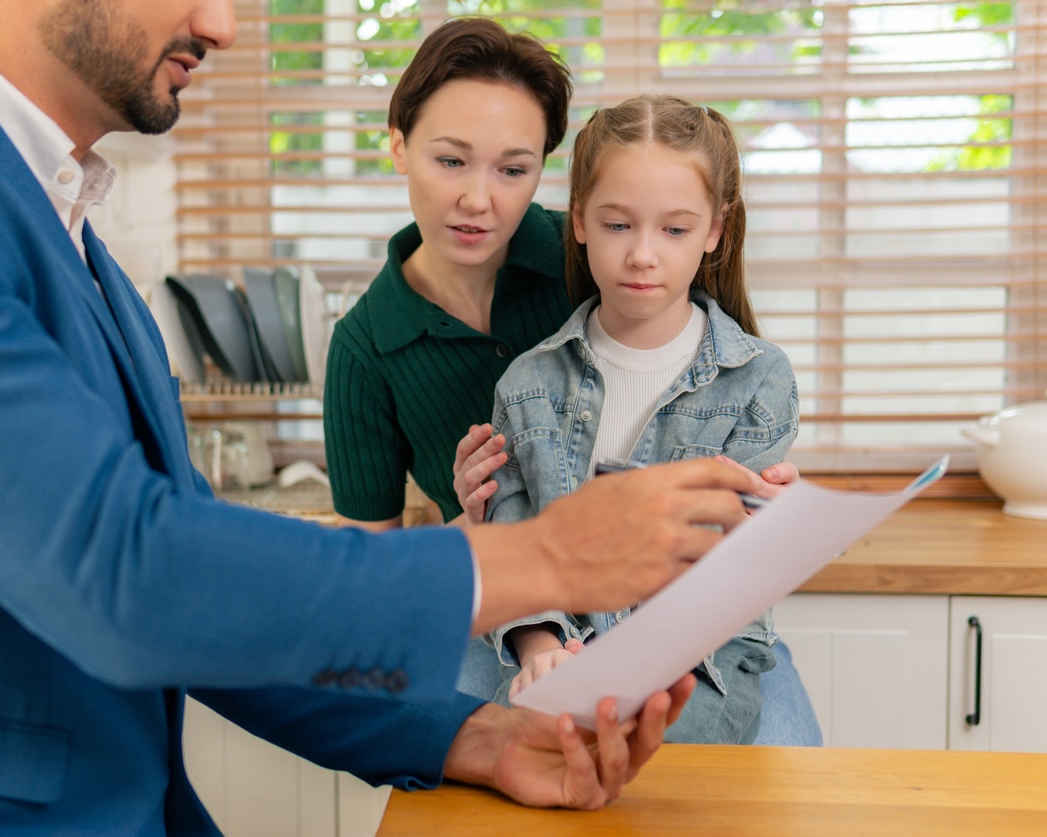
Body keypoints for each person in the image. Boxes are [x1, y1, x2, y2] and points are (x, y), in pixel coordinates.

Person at [0, 2, 776, 834]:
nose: (223, 25)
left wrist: (461, 734)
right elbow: (124, 573)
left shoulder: (91, 269)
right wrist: (547, 558)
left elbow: (195, 610)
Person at [322, 17, 821, 745]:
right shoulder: (367, 347)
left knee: (773, 768)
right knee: (479, 757)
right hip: (512, 616)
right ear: (398, 144)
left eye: (513, 168)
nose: (478, 200)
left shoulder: (608, 251)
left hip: (693, 632)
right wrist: (479, 526)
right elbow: (371, 583)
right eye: (450, 160)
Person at [482, 94, 798, 745]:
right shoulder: (527, 385)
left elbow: (733, 568)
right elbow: (511, 534)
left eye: (674, 230)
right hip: (562, 647)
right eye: (618, 225)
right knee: (519, 756)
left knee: (659, 766)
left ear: (715, 229)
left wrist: (777, 521)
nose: (642, 255)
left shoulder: (759, 377)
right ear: (578, 221)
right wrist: (539, 644)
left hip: (697, 660)